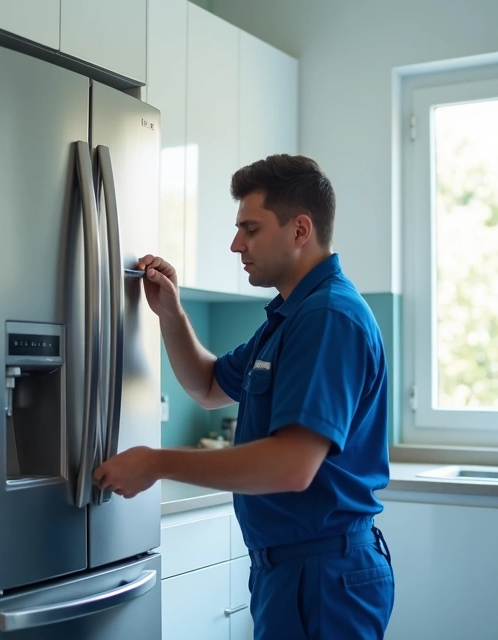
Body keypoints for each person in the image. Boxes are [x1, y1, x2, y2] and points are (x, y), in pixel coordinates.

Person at [93, 154, 394, 639]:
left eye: (250, 229)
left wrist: (156, 462)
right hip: (293, 570)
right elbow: (209, 386)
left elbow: (291, 467)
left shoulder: (327, 317)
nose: (236, 245)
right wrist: (171, 312)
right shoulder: (291, 316)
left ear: (300, 230)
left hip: (321, 574)